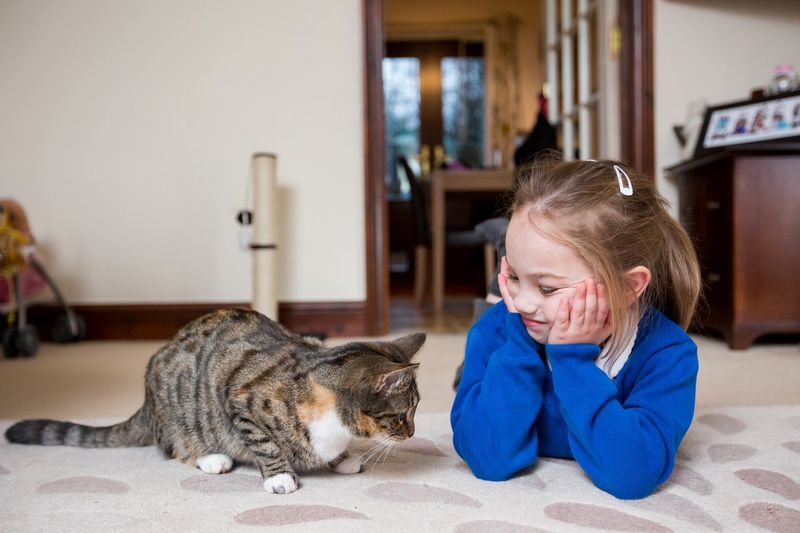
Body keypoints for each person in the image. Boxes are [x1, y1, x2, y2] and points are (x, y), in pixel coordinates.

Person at [450, 157, 701, 500]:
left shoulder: (668, 354)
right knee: (492, 329)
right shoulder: (497, 331)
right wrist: (519, 346)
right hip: (507, 345)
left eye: (548, 288)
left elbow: (633, 475)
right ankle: (500, 287)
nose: (522, 302)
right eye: (514, 276)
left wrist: (572, 362)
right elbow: (486, 459)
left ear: (629, 288)